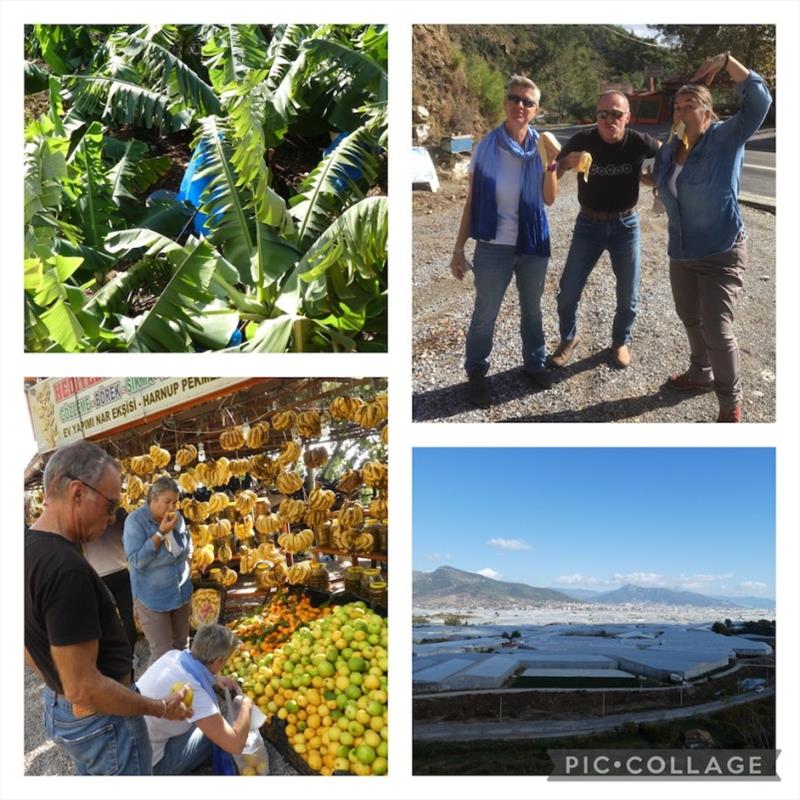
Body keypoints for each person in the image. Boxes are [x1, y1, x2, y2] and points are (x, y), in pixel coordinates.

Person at [25, 441, 191, 776]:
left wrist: (56, 684)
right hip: (103, 722)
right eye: (110, 505)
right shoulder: (65, 568)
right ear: (77, 492)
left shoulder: (27, 548)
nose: (112, 518)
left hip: (68, 713)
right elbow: (83, 689)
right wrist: (158, 708)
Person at [652, 52, 772, 422]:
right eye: (678, 105)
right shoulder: (671, 150)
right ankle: (700, 372)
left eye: (691, 104)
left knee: (717, 329)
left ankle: (729, 403)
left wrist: (726, 62)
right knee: (689, 316)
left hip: (722, 249)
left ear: (707, 112)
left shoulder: (724, 138)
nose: (682, 110)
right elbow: (662, 185)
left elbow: (760, 100)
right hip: (682, 250)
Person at [450, 74, 559, 408]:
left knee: (533, 311)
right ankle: (477, 373)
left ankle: (534, 363)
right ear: (505, 102)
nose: (519, 106)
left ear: (537, 110)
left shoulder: (542, 145)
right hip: (493, 246)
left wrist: (552, 164)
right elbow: (472, 201)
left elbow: (549, 199)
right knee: (485, 314)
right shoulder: (486, 146)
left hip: (532, 243)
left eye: (528, 102)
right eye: (514, 99)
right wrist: (458, 248)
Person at [552, 90, 660, 369]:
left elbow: (669, 153)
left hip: (626, 224)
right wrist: (564, 163)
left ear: (627, 117)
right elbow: (555, 169)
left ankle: (620, 341)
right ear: (596, 117)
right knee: (567, 292)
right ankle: (568, 338)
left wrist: (654, 178)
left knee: (628, 294)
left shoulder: (638, 141)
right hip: (588, 223)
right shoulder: (582, 141)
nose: (609, 119)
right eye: (603, 114)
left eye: (616, 114)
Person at [136, 624, 254, 774]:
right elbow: (235, 745)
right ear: (219, 661)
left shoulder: (173, 655)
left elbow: (196, 670)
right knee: (213, 735)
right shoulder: (195, 692)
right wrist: (246, 706)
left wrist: (215, 678)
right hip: (147, 767)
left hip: (127, 746)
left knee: (207, 722)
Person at [124, 476, 193, 665]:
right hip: (152, 597)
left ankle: (185, 690)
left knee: (182, 647)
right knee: (162, 655)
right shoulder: (135, 522)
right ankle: (153, 694)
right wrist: (160, 534)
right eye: (167, 502)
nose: (172, 507)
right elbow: (136, 560)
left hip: (181, 593)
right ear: (153, 499)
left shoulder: (177, 518)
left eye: (175, 502)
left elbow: (187, 546)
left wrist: (190, 567)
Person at [83, 507, 139, 671]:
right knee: (127, 617)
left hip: (98, 577)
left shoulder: (86, 522)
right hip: (121, 572)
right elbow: (128, 545)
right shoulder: (118, 518)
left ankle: (107, 659)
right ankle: (131, 656)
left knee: (104, 621)